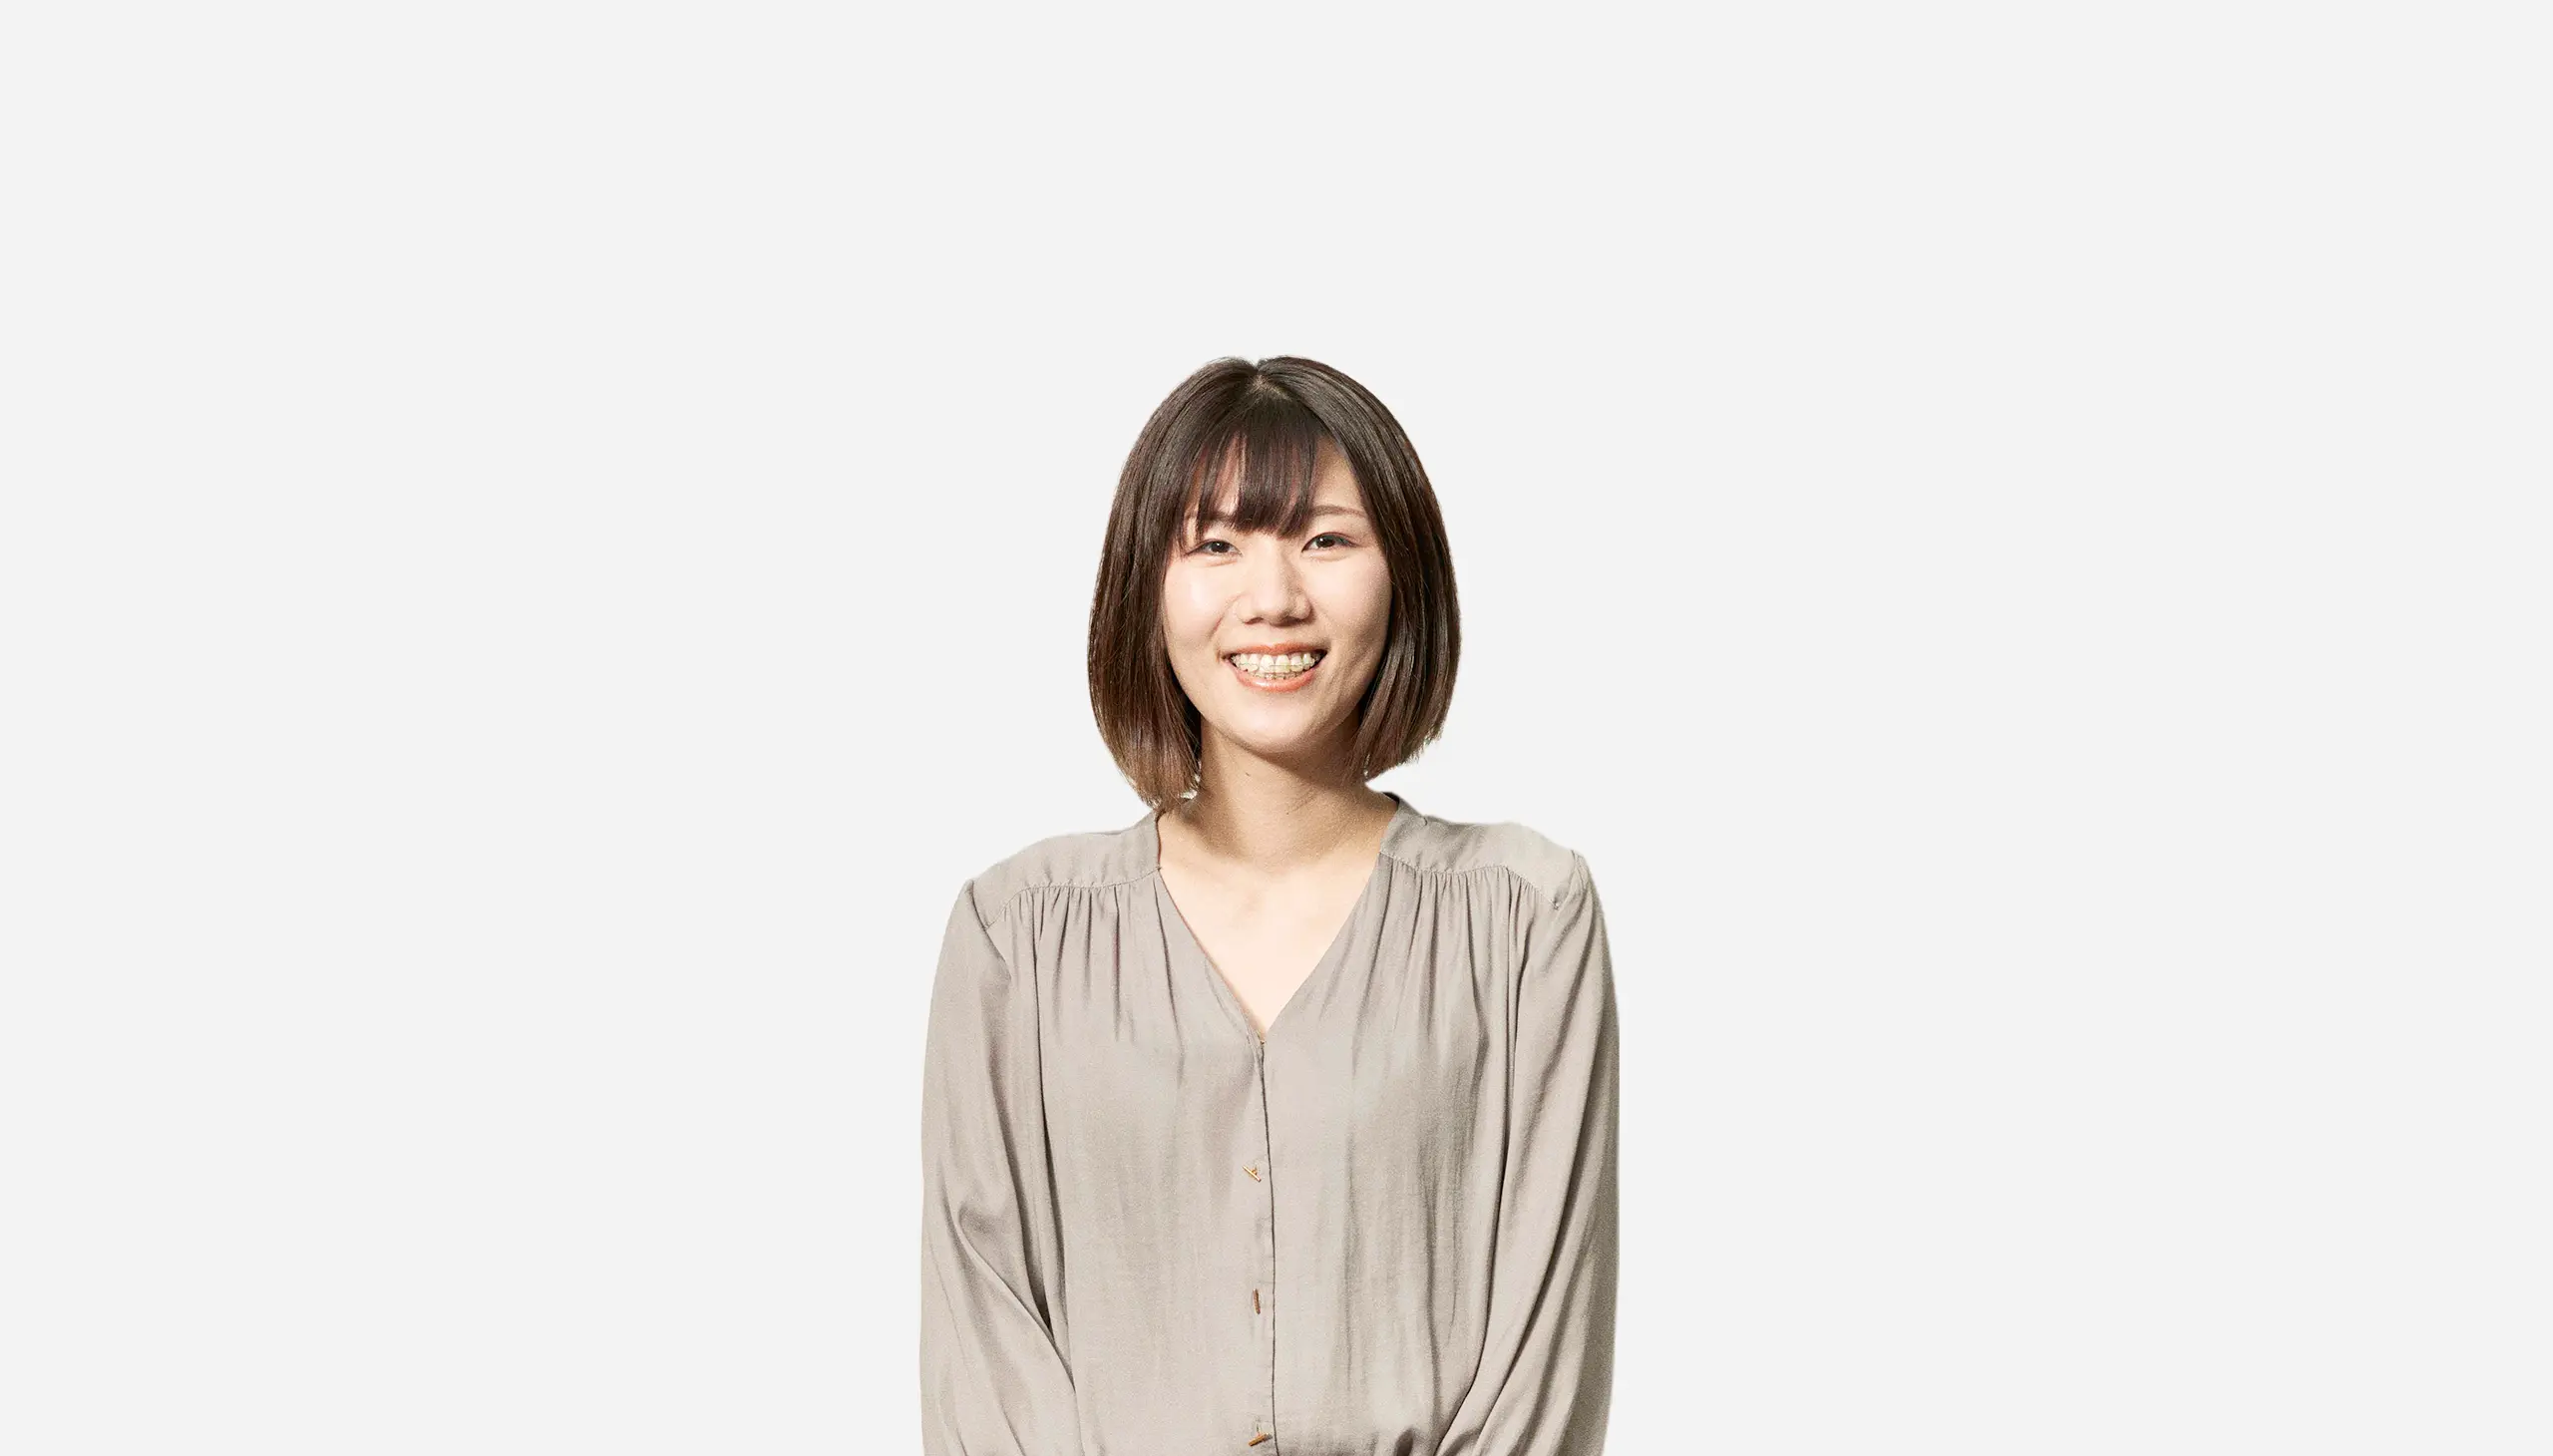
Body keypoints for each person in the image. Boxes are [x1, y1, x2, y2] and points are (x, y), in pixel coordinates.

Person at [918, 356, 1620, 1454]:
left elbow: (1547, 1359)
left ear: (1405, 573)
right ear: (1145, 585)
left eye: (1326, 540)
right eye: (1215, 544)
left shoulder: (1526, 921)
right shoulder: (1017, 935)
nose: (1274, 597)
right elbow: (984, 1344)